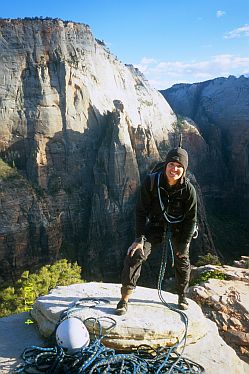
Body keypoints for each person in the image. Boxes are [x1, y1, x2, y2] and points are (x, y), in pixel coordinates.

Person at [116, 146, 197, 315]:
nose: (174, 169)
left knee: (182, 260)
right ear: (166, 164)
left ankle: (182, 296)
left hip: (179, 228)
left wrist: (184, 244)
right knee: (135, 254)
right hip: (155, 227)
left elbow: (191, 219)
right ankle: (124, 298)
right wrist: (139, 239)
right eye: (171, 164)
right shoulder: (151, 182)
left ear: (184, 169)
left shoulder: (189, 190)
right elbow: (140, 211)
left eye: (179, 166)